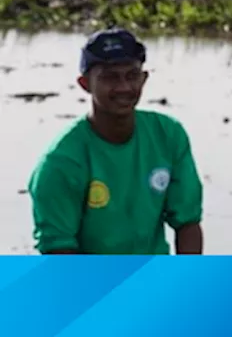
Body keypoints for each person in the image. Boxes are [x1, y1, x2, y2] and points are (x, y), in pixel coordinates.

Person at [28, 28, 205, 255]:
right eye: (110, 77)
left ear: (144, 78)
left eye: (132, 75)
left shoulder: (168, 134)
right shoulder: (61, 162)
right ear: (85, 84)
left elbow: (188, 222)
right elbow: (58, 251)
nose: (124, 87)